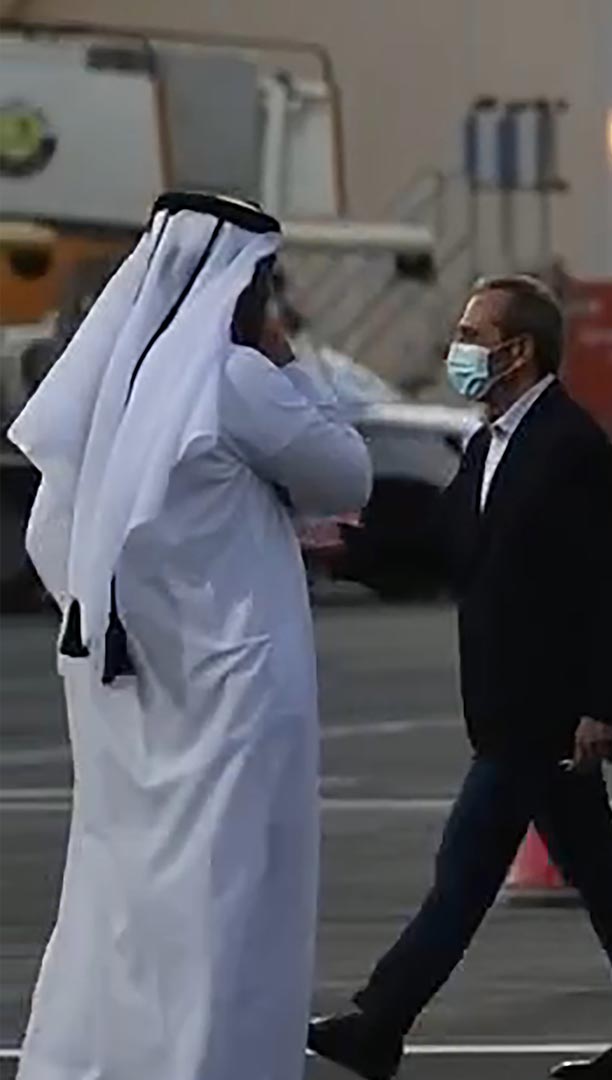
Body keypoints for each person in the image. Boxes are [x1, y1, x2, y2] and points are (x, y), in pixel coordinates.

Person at [8, 192, 372, 1080]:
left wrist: (140, 612)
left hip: (132, 688)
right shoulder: (231, 378)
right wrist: (293, 366)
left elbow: (52, 532)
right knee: (233, 896)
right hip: (235, 685)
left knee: (126, 893)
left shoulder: (118, 380)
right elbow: (345, 473)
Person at [308, 276, 612, 1080]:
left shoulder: (572, 448)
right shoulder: (490, 445)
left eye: (471, 334)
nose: (459, 349)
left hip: (542, 709)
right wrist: (346, 551)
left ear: (517, 351)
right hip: (504, 700)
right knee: (600, 872)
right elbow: (450, 543)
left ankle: (379, 1024)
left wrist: (605, 705)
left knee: (465, 872)